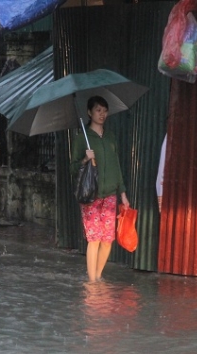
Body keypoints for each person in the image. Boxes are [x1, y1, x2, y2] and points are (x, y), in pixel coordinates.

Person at [70, 96, 130, 283]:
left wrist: (123, 193)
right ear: (89, 113)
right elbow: (73, 168)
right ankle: (91, 282)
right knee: (94, 239)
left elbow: (117, 165)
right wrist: (85, 159)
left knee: (107, 240)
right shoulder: (82, 139)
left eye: (105, 110)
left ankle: (98, 275)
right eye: (98, 110)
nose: (102, 114)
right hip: (91, 194)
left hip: (111, 194)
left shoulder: (111, 137)